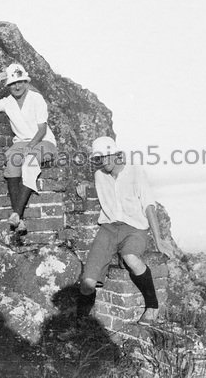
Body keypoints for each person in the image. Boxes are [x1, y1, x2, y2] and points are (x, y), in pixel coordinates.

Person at [76, 136, 175, 327]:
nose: (103, 162)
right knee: (87, 284)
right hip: (108, 229)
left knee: (131, 258)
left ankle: (152, 306)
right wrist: (83, 184)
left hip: (134, 229)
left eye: (106, 157)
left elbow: (149, 206)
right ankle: (80, 327)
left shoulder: (135, 172)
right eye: (99, 159)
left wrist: (158, 239)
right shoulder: (99, 176)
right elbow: (95, 187)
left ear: (117, 155)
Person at [0, 63, 57, 232]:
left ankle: (16, 213)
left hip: (44, 141)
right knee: (12, 164)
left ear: (26, 82)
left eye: (20, 81)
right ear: (8, 86)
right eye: (13, 83)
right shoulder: (7, 102)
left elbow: (42, 129)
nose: (17, 86)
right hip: (20, 143)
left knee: (29, 161)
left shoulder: (36, 98)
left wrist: (30, 147)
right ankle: (18, 219)